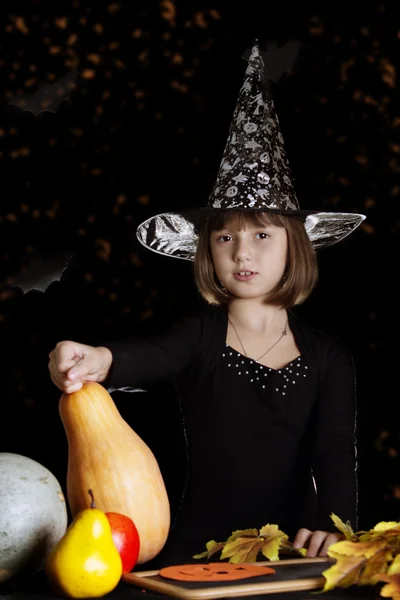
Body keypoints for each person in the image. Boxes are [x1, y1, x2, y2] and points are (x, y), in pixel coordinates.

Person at [48, 41, 366, 565]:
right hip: (199, 551)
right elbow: (146, 355)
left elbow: (335, 452)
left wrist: (336, 529)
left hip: (293, 553)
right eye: (224, 239)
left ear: (295, 246)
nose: (242, 252)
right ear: (207, 252)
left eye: (262, 236)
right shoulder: (198, 337)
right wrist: (97, 359)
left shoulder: (330, 357)